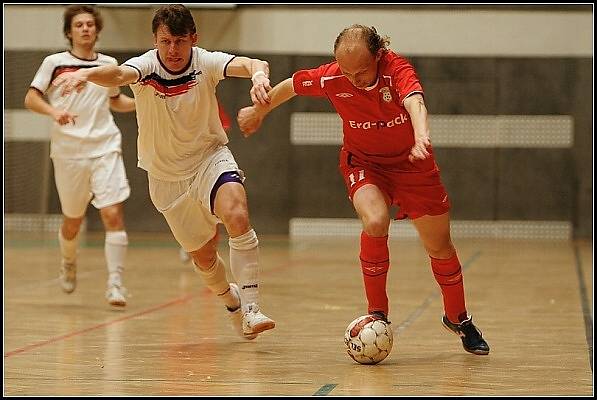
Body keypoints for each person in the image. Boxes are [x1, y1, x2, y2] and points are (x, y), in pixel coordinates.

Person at [237, 24, 490, 354]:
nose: (353, 79)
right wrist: (259, 111)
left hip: (414, 165)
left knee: (440, 247)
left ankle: (458, 318)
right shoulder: (333, 78)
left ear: (379, 56)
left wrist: (421, 137)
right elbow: (292, 85)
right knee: (374, 221)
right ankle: (377, 314)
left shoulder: (396, 69)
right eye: (346, 71)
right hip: (365, 164)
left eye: (361, 71)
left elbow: (415, 102)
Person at [53, 4, 275, 339]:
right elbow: (116, 75)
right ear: (156, 40)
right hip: (166, 177)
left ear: (193, 39)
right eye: (165, 41)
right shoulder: (146, 66)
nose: (172, 50)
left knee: (237, 212)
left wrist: (259, 76)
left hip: (209, 157)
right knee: (203, 257)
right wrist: (85, 74)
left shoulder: (206, 61)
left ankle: (253, 309)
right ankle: (232, 302)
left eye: (180, 41)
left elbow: (252, 63)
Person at [24, 5, 136, 307]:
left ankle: (115, 283)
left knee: (113, 214)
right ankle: (68, 260)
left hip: (105, 146)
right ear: (69, 31)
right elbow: (31, 97)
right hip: (69, 152)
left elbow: (117, 101)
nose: (85, 29)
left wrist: (145, 104)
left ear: (97, 30)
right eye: (79, 25)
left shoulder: (109, 64)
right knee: (72, 222)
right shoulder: (54, 62)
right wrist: (53, 111)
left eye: (90, 24)